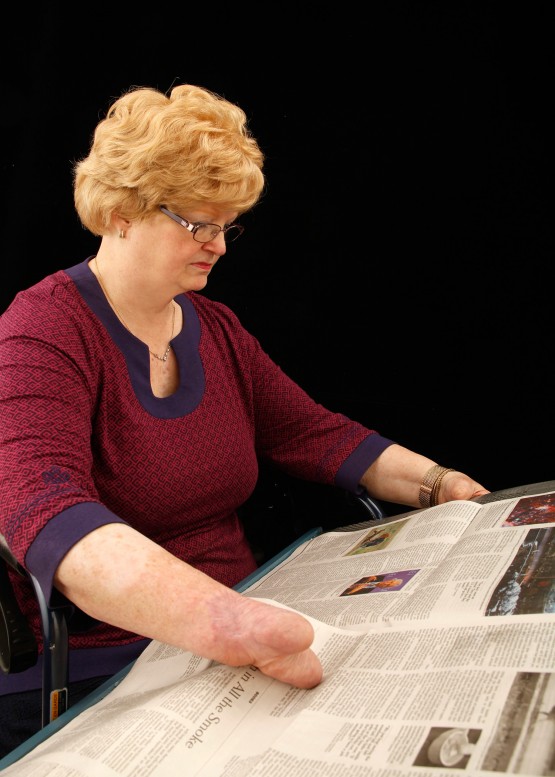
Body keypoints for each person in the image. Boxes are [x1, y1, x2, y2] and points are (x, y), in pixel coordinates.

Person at [0, 83, 489, 755]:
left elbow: (314, 433)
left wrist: (442, 484)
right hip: (105, 659)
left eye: (226, 225)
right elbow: (40, 503)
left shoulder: (216, 327)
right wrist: (223, 621)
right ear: (120, 211)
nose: (219, 245)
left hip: (252, 618)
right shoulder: (42, 328)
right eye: (197, 224)